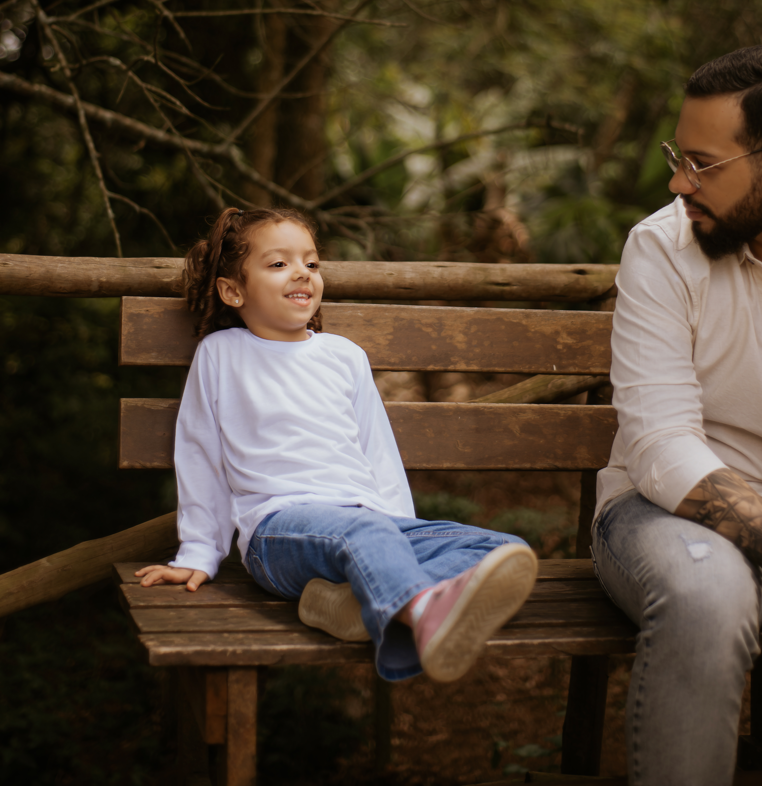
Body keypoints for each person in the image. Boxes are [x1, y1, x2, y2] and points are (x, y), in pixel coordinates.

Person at [591, 44, 762, 786]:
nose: (679, 183)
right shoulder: (662, 248)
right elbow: (661, 445)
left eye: (702, 165)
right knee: (705, 597)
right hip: (671, 515)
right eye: (679, 157)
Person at [135, 206, 537, 683]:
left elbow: (378, 453)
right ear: (233, 290)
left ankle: (353, 601)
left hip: (367, 524)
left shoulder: (344, 356)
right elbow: (200, 456)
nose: (302, 272)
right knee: (363, 533)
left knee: (504, 549)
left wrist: (398, 530)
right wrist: (199, 553)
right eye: (279, 263)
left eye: (311, 262)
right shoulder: (222, 354)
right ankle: (419, 616)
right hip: (278, 531)